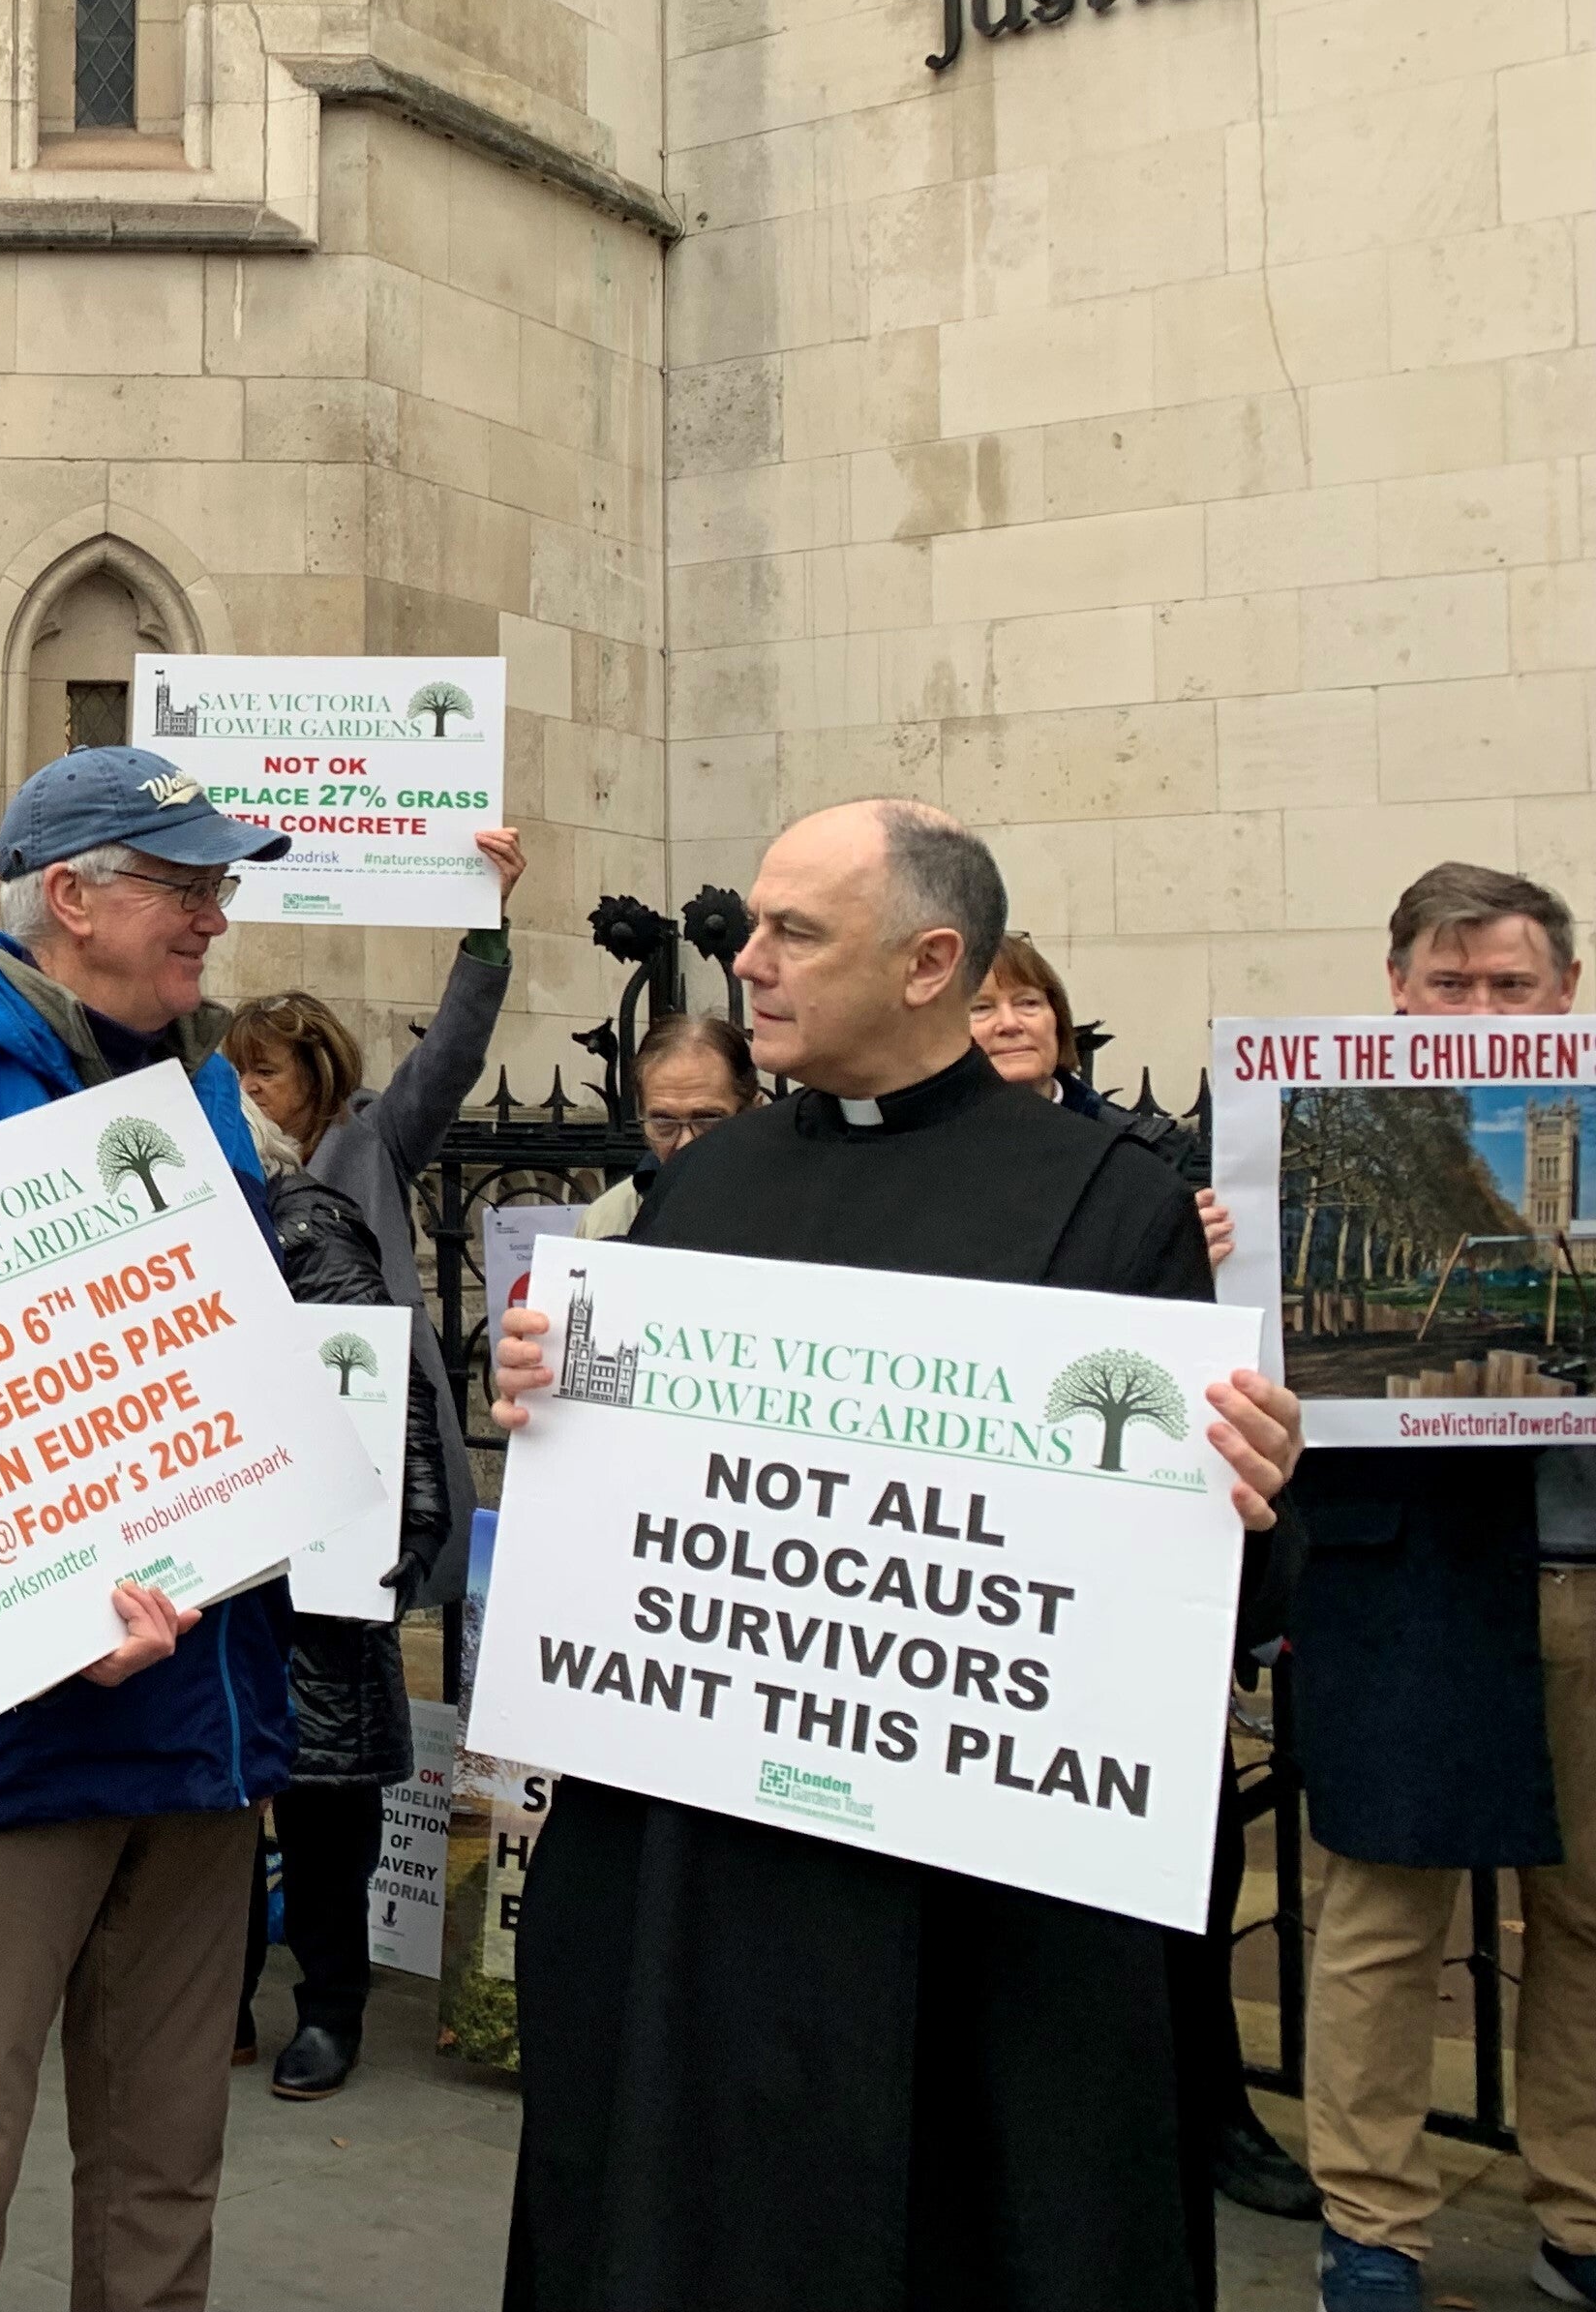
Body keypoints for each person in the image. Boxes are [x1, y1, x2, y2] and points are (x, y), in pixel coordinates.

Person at [491, 797, 1303, 2312]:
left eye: (799, 934)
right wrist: (541, 1392)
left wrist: (1252, 1489)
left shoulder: (1107, 1200)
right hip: (703, 1875)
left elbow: (1183, 1594)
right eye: (755, 930)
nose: (750, 965)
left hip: (969, 1916)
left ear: (933, 962)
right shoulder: (705, 1186)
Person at [0, 744, 302, 2312]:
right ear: (72, 896)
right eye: (184, 882)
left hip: (198, 1716)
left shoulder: (204, 1078)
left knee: (163, 2178)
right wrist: (42, 1612)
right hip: (11, 1742)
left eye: (219, 883)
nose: (214, 915)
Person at [965, 926, 1310, 2221]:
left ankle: (1211, 2116)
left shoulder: (1149, 1168)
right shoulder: (935, 1175)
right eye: (985, 1005)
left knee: (1190, 1873)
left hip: (1141, 1583)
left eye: (1027, 1003)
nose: (1007, 1023)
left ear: (1062, 1022)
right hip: (1004, 1578)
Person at [1292, 867, 1592, 2312]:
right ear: (1396, 989)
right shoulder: (1305, 1146)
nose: (1479, 1011)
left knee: (1587, 1915)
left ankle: (1581, 2211)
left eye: (1512, 986)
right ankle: (1372, 2227)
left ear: (1566, 997)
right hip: (1406, 1566)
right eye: (1451, 984)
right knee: (1380, 1910)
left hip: (1582, 1573)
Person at [215, 833, 521, 2102]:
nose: (241, 1091)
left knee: (330, 1790)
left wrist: (486, 929)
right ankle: (216, 1998)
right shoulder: (204, 1179)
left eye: (261, 1072)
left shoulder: (370, 1145)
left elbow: (451, 1049)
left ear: (314, 1079)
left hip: (344, 1531)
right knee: (223, 1785)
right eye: (229, 1070)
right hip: (235, 1534)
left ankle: (328, 2005)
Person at [575, 1011, 759, 1242]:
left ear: (753, 1112)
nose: (685, 1143)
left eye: (708, 1120)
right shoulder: (606, 1221)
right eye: (664, 1122)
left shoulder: (793, 1209)